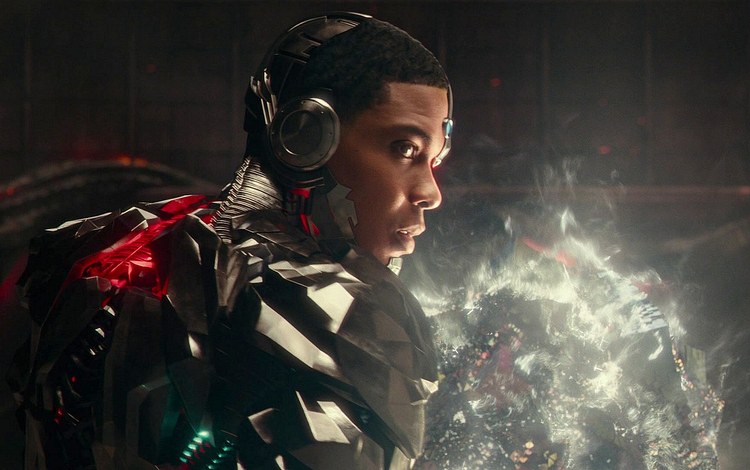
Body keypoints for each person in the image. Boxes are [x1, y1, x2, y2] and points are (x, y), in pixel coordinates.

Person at [8, 12, 452, 469]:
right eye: (405, 149)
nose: (430, 193)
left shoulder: (100, 246)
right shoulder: (340, 308)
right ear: (307, 136)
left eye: (435, 159)